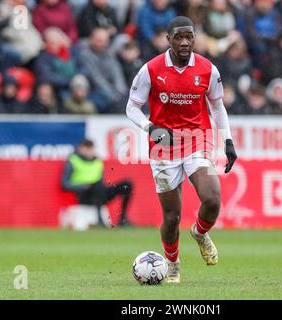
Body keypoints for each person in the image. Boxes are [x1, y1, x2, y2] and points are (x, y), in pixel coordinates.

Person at [126, 16, 237, 283]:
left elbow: (217, 107)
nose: (185, 42)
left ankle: (199, 233)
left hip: (197, 141)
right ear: (168, 39)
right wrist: (150, 128)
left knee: (212, 198)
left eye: (189, 36)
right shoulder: (151, 70)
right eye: (179, 37)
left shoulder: (208, 69)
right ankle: (173, 264)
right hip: (163, 148)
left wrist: (228, 141)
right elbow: (132, 107)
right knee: (172, 216)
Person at [61, 138, 133, 227]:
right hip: (84, 195)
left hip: (99, 193)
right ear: (80, 149)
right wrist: (83, 186)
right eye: (86, 149)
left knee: (127, 184)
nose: (89, 151)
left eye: (91, 149)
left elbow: (102, 181)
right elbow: (64, 184)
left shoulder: (97, 161)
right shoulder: (73, 160)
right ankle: (99, 220)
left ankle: (123, 219)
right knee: (96, 186)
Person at [77, 27, 127, 113]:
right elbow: (96, 78)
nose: (103, 44)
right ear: (91, 40)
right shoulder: (85, 54)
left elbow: (117, 73)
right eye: (99, 41)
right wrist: (113, 96)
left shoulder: (109, 53)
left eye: (105, 41)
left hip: (113, 91)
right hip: (93, 91)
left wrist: (121, 92)